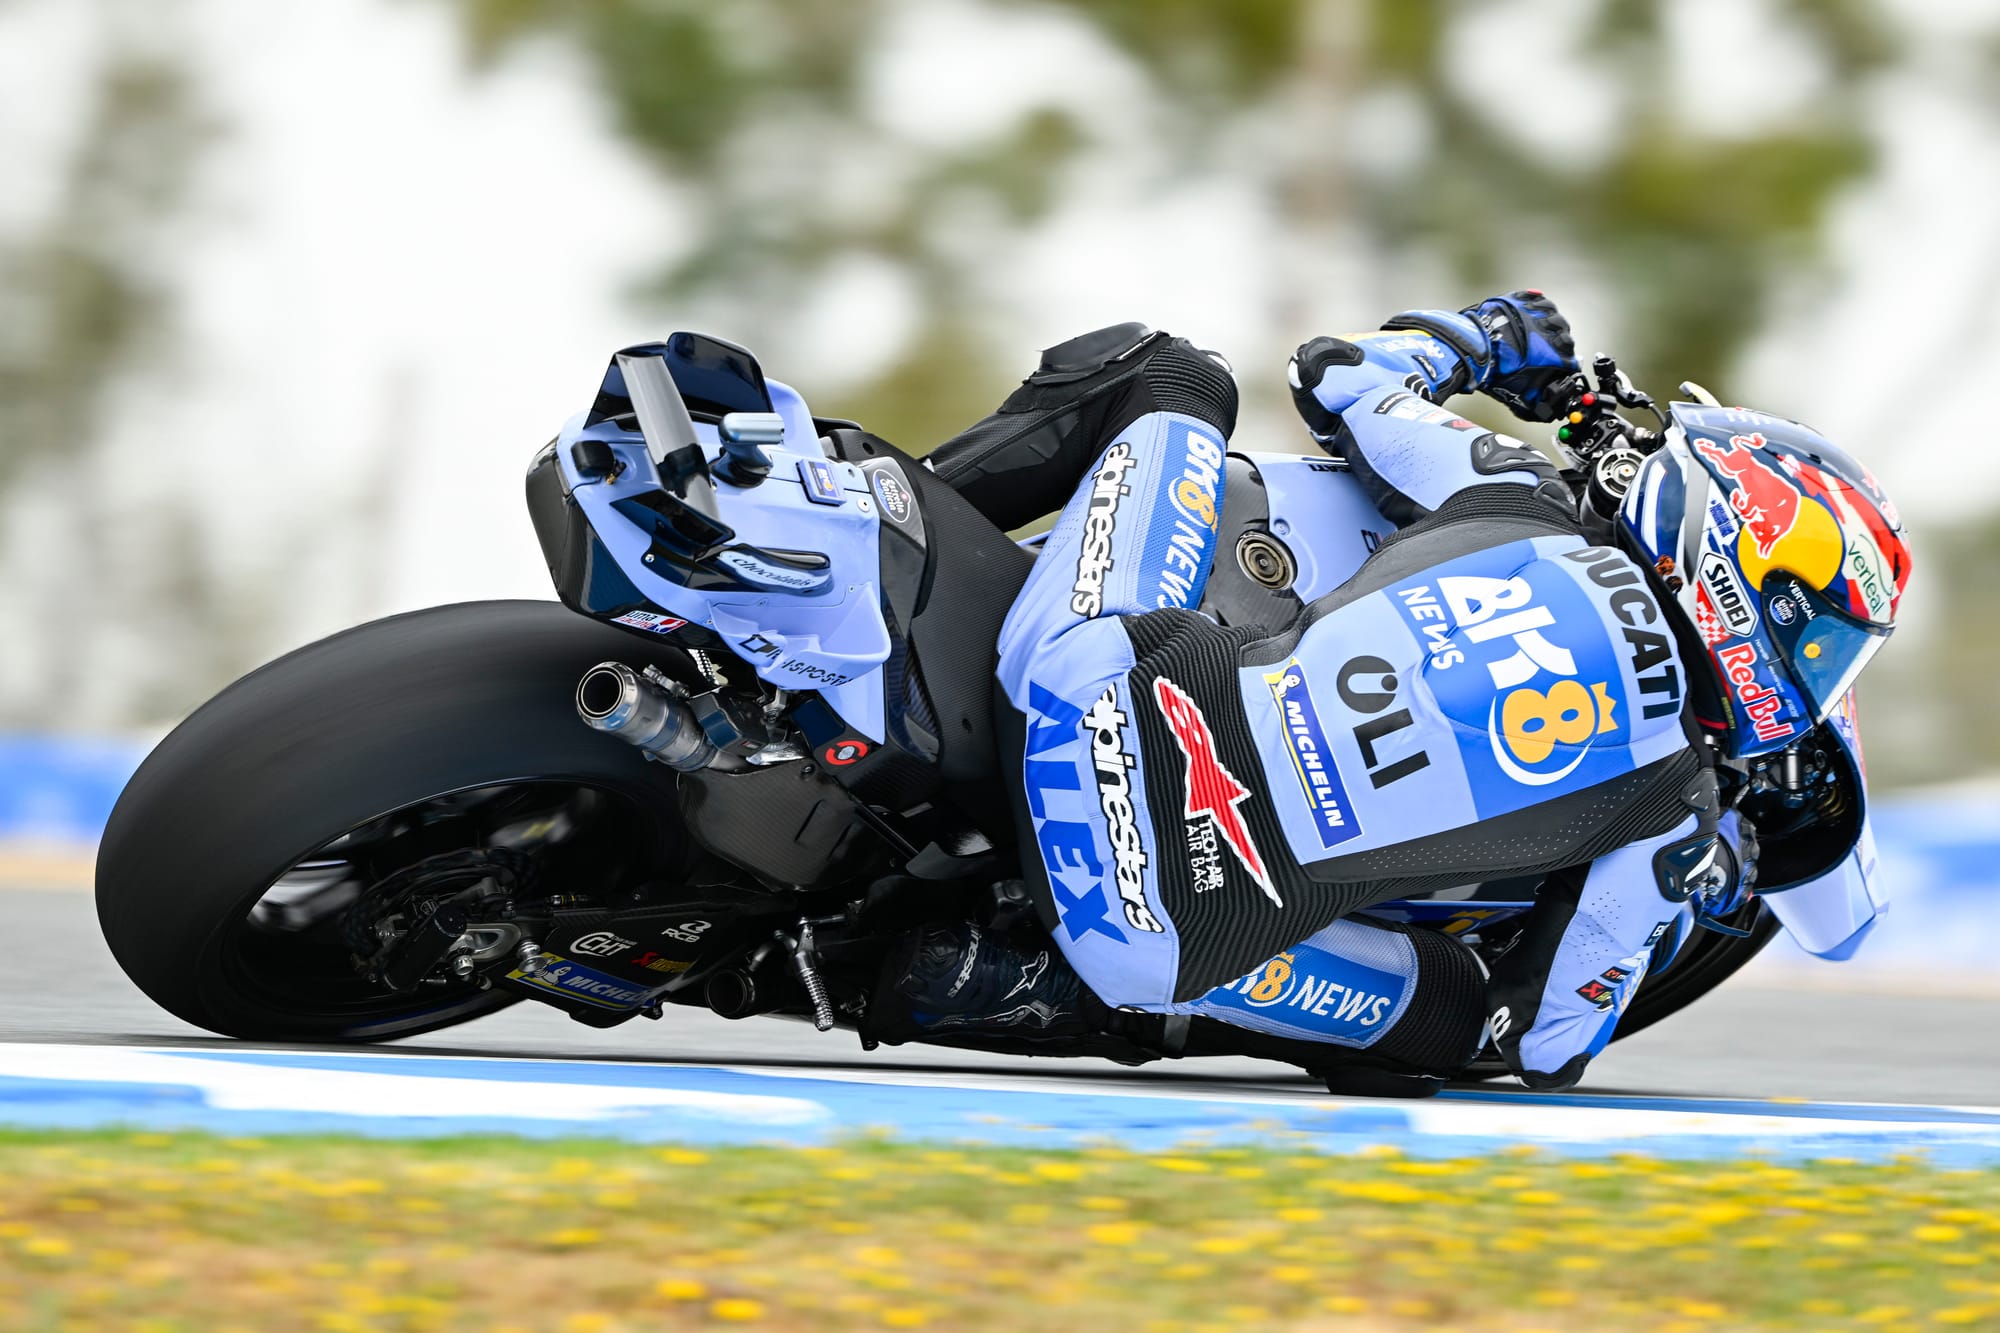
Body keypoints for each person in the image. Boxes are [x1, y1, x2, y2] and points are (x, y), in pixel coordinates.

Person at [871, 293, 1909, 1091]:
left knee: (1168, 372)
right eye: (1815, 635)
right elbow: (1546, 1043)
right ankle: (1012, 980)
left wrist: (1483, 337)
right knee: (1462, 1026)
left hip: (1082, 694)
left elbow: (1338, 375)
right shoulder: (1674, 815)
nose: (1811, 668)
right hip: (1148, 936)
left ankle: (887, 540)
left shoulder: (1522, 496)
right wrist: (1695, 874)